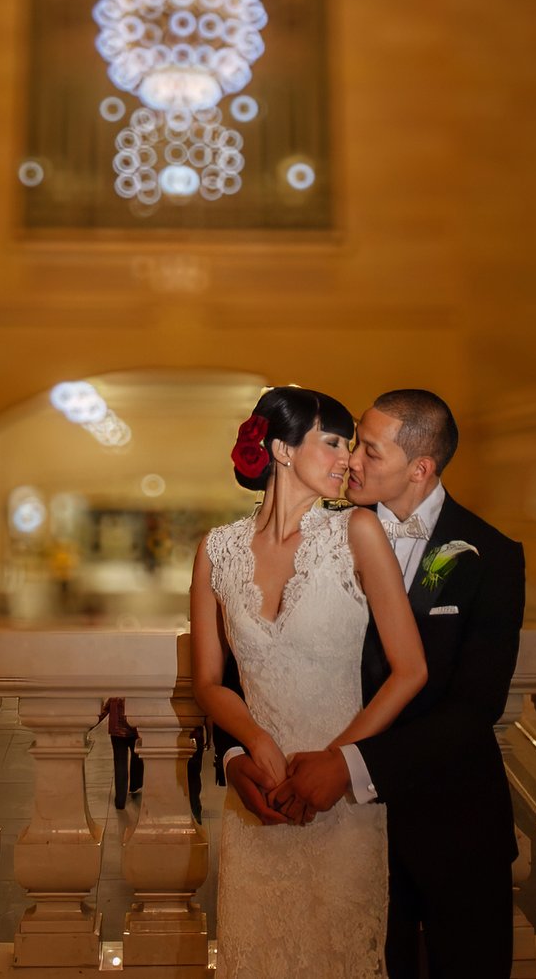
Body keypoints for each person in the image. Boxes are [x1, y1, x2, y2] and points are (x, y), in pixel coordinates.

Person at [223, 389, 526, 979]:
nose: (350, 460)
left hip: (452, 828)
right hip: (330, 836)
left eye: (370, 449)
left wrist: (351, 764)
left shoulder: (492, 556)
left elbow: (475, 705)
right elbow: (249, 658)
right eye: (353, 441)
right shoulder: (313, 530)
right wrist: (235, 752)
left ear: (420, 468)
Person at [190, 387, 427, 979]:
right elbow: (208, 681)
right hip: (258, 802)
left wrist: (338, 761)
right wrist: (253, 742)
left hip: (339, 802)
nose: (347, 459)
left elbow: (410, 670)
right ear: (282, 449)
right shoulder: (216, 550)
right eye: (333, 442)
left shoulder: (357, 533)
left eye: (349, 445)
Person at [99, 696, 142, 809]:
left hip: (117, 732)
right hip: (135, 731)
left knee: (120, 764)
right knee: (137, 758)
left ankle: (120, 800)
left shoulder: (115, 693)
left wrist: (90, 725)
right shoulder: (135, 693)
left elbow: (104, 710)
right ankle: (135, 786)